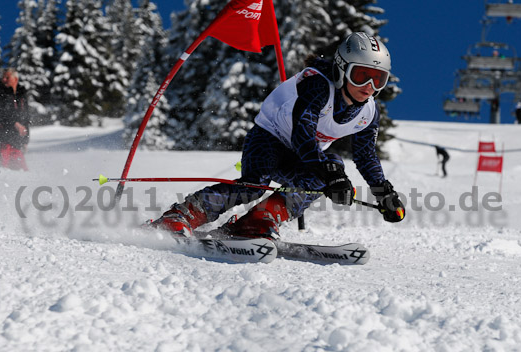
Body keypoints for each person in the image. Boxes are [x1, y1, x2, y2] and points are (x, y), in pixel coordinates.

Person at [149, 32, 405, 239]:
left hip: (302, 156)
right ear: (341, 69)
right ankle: (183, 215)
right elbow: (303, 133)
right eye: (361, 76)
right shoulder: (318, 85)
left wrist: (384, 193)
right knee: (254, 185)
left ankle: (257, 222)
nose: (369, 87)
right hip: (269, 140)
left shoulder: (368, 113)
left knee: (328, 171)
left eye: (378, 79)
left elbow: (365, 155)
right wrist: (329, 174)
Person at [0, 68, 30, 171]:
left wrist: (25, 141)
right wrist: (15, 123)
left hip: (15, 141)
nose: (4, 79)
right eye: (3, 77)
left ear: (16, 78)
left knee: (21, 172)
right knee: (1, 171)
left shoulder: (21, 96)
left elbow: (26, 119)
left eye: (7, 77)